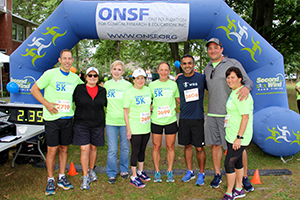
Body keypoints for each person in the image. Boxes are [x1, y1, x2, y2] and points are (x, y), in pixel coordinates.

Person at [204, 38, 254, 191]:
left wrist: (247, 88)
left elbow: (248, 82)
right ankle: (218, 174)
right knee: (215, 145)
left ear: (221, 49)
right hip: (212, 113)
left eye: (215, 47)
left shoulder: (233, 63)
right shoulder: (206, 67)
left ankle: (244, 177)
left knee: (238, 148)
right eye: (210, 48)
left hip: (229, 115)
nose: (212, 50)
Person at [31, 49, 83, 195]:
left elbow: (86, 89)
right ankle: (50, 179)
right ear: (60, 60)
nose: (67, 61)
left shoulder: (75, 78)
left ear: (72, 61)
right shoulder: (50, 74)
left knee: (64, 149)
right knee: (52, 149)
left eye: (70, 58)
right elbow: (34, 89)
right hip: (52, 118)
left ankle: (61, 177)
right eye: (64, 58)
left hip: (67, 119)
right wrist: (46, 103)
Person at [73, 67, 107, 190]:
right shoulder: (79, 89)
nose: (92, 78)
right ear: (86, 77)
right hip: (82, 124)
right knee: (84, 148)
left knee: (93, 148)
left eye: (95, 76)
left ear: (98, 78)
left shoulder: (102, 91)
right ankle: (85, 175)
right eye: (90, 75)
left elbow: (106, 105)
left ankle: (91, 169)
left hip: (97, 124)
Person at [222, 67, 253, 200]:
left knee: (229, 163)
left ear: (240, 79)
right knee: (238, 162)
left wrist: (239, 138)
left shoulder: (242, 94)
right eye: (228, 77)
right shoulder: (234, 92)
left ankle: (230, 192)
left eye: (233, 77)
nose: (230, 80)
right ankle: (239, 189)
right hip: (231, 134)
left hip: (239, 136)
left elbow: (245, 117)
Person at [176, 54, 206, 186]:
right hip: (184, 118)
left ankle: (202, 173)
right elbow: (174, 95)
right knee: (187, 145)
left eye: (189, 63)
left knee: (199, 148)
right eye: (184, 64)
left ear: (193, 65)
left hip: (197, 118)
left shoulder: (201, 78)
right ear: (181, 66)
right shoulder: (178, 80)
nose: (187, 66)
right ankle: (190, 171)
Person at [148, 61, 180, 183]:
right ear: (157, 71)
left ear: (169, 71)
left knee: (170, 146)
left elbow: (178, 100)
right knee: (156, 146)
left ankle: (169, 171)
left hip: (170, 120)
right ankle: (157, 171)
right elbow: (147, 99)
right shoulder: (152, 85)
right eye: (161, 70)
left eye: (166, 70)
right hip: (156, 120)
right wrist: (149, 105)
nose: (163, 72)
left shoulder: (173, 85)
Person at [104, 60, 132, 184]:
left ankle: (124, 169)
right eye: (114, 69)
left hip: (125, 121)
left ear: (123, 72)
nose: (116, 71)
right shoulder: (106, 85)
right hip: (110, 121)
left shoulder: (128, 85)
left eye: (119, 69)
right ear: (111, 70)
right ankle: (111, 172)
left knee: (125, 148)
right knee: (112, 149)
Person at [123, 68, 152, 188]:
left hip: (146, 127)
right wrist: (128, 129)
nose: (140, 81)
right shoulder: (129, 93)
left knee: (142, 150)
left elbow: (150, 104)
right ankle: (133, 176)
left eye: (142, 78)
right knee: (135, 151)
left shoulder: (147, 90)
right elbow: (125, 112)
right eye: (138, 78)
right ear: (133, 79)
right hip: (135, 127)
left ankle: (140, 172)